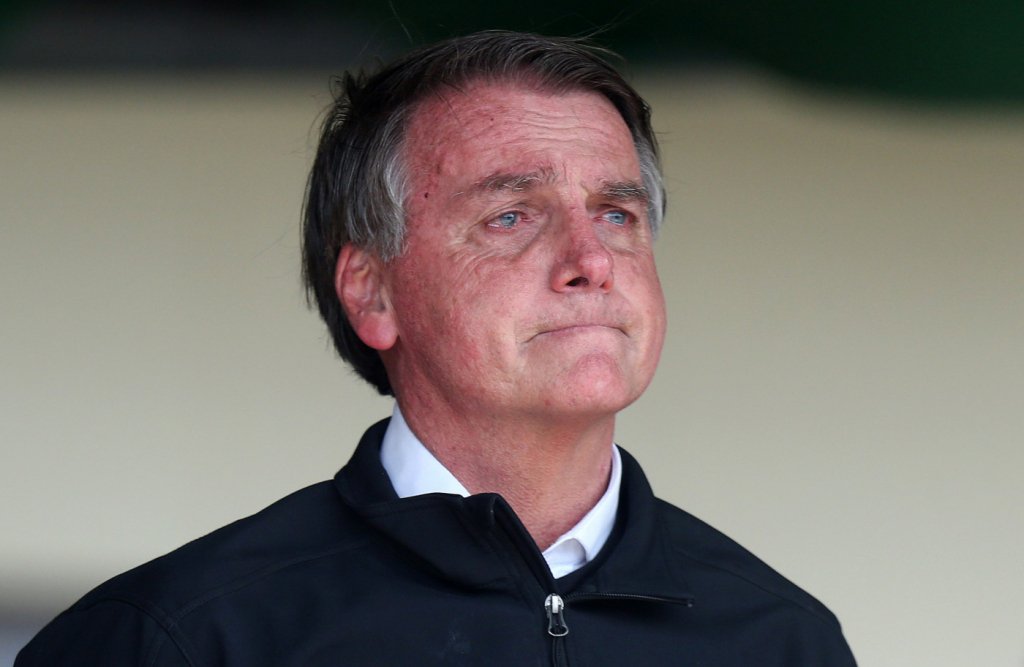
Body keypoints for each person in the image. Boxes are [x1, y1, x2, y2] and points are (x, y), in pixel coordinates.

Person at [17, 31, 856, 666]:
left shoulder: (783, 640)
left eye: (616, 213)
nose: (592, 260)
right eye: (510, 216)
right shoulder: (179, 637)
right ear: (373, 292)